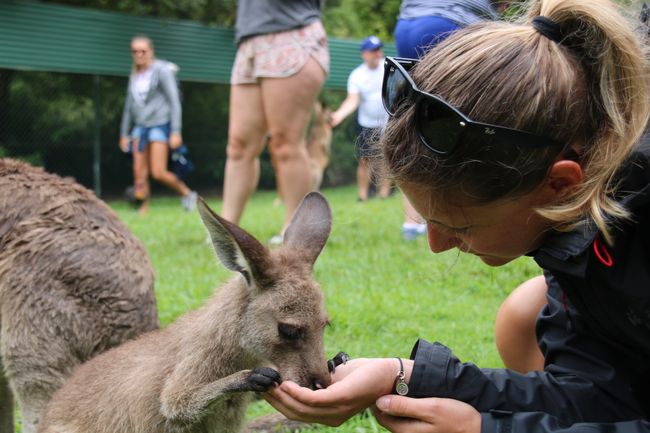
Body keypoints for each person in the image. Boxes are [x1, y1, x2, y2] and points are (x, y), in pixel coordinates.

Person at [264, 1, 650, 432]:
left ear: (561, 184)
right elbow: (598, 392)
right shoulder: (572, 225)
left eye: (459, 226)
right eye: (427, 220)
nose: (436, 244)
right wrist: (404, 375)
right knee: (522, 314)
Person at [222, 0, 329, 244]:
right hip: (249, 41)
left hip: (292, 35)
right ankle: (226, 232)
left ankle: (295, 233)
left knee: (286, 143)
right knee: (239, 145)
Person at [394, 0, 501, 240]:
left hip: (407, 25)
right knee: (467, 128)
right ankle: (468, 217)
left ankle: (412, 223)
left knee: (413, 127)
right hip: (449, 25)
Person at [119, 35, 197, 214]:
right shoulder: (134, 75)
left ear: (151, 51)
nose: (139, 55)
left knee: (158, 172)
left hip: (159, 126)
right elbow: (128, 107)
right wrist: (124, 133)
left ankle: (187, 194)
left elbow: (174, 101)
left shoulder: (162, 71)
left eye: (143, 51)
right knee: (139, 172)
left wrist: (176, 130)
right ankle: (143, 208)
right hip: (139, 127)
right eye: (135, 51)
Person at [329, 36, 392, 202]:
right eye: (373, 51)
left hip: (387, 122)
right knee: (365, 159)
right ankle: (363, 196)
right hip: (366, 123)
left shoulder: (388, 68)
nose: (378, 53)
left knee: (385, 157)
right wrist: (339, 115)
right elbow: (352, 100)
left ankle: (384, 194)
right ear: (364, 54)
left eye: (379, 50)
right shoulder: (357, 75)